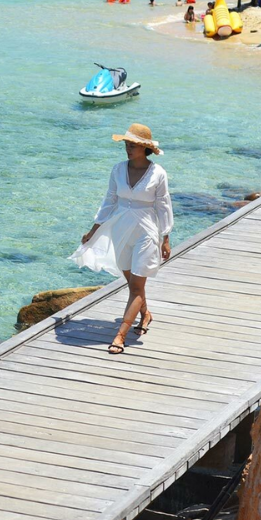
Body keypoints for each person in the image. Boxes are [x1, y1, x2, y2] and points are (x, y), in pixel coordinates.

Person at [70, 123, 173, 355]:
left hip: (146, 231)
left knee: (136, 286)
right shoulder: (117, 170)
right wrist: (93, 230)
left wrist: (165, 237)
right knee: (132, 282)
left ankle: (120, 335)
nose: (128, 148)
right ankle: (145, 313)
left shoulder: (158, 173)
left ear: (144, 148)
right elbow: (109, 201)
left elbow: (163, 205)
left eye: (133, 145)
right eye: (127, 144)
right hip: (120, 229)